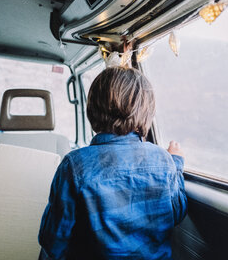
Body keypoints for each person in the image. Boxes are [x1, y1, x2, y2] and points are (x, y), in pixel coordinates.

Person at [38, 66, 187, 259]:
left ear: (92, 109)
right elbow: (176, 212)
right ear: (146, 113)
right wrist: (176, 162)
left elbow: (53, 240)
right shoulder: (163, 160)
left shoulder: (74, 165)